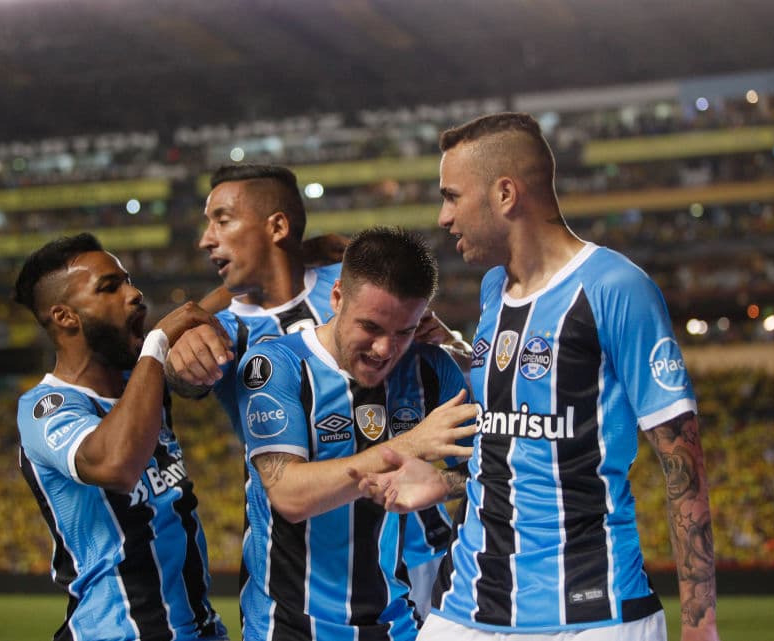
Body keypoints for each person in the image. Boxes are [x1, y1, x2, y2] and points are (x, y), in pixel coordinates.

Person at [355, 113, 720, 641]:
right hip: (468, 604)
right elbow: (518, 438)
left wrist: (701, 624)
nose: (443, 217)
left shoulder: (616, 288)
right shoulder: (492, 291)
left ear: (505, 194)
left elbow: (684, 466)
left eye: (452, 197)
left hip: (590, 610)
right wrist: (448, 482)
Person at [167, 164, 466, 614]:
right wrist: (176, 341)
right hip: (308, 563)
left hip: (419, 553)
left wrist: (450, 344)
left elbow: (449, 363)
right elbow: (171, 379)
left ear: (278, 227)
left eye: (222, 221)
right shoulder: (220, 335)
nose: (206, 239)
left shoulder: (356, 277)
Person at [236, 227, 477, 641]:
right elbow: (289, 495)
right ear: (336, 298)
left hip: (395, 624)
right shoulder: (275, 366)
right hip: (287, 628)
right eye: (371, 326)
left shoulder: (432, 370)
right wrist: (411, 444)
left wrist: (444, 484)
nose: (384, 349)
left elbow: (494, 472)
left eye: (403, 331)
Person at [13, 233, 229, 641]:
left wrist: (284, 259)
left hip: (199, 628)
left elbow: (208, 309)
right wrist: (158, 342)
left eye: (128, 281)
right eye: (110, 287)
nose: (134, 293)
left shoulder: (141, 381)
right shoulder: (45, 408)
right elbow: (117, 464)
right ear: (65, 316)